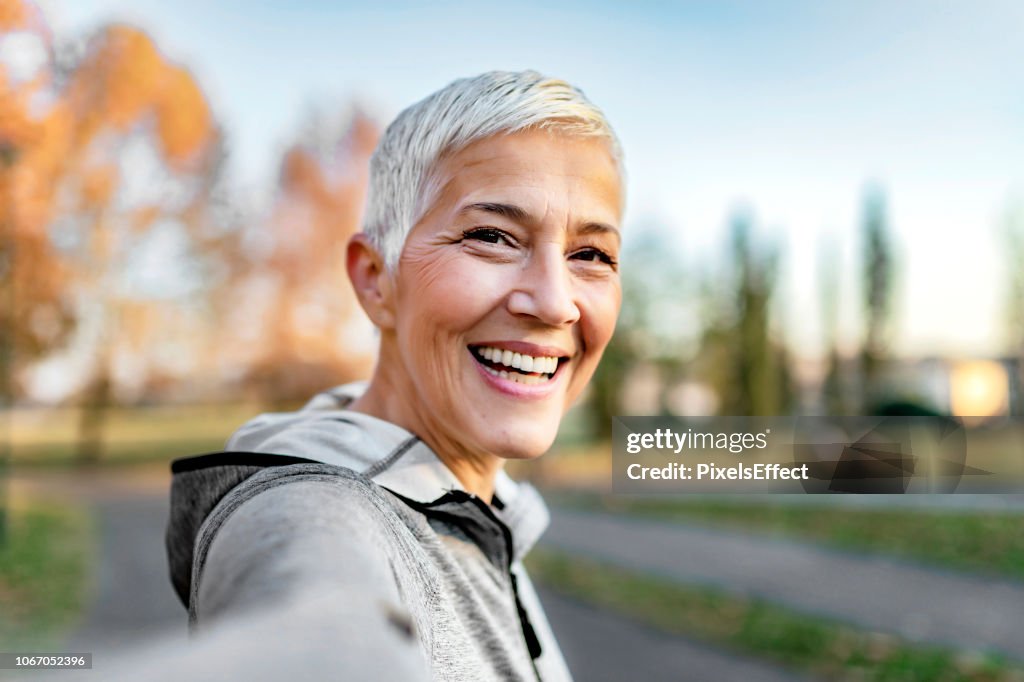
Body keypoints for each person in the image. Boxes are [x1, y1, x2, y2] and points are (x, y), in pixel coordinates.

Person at [165, 70, 624, 681]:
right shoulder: (307, 514)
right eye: (491, 237)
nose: (554, 302)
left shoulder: (483, 509)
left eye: (590, 255)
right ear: (376, 279)